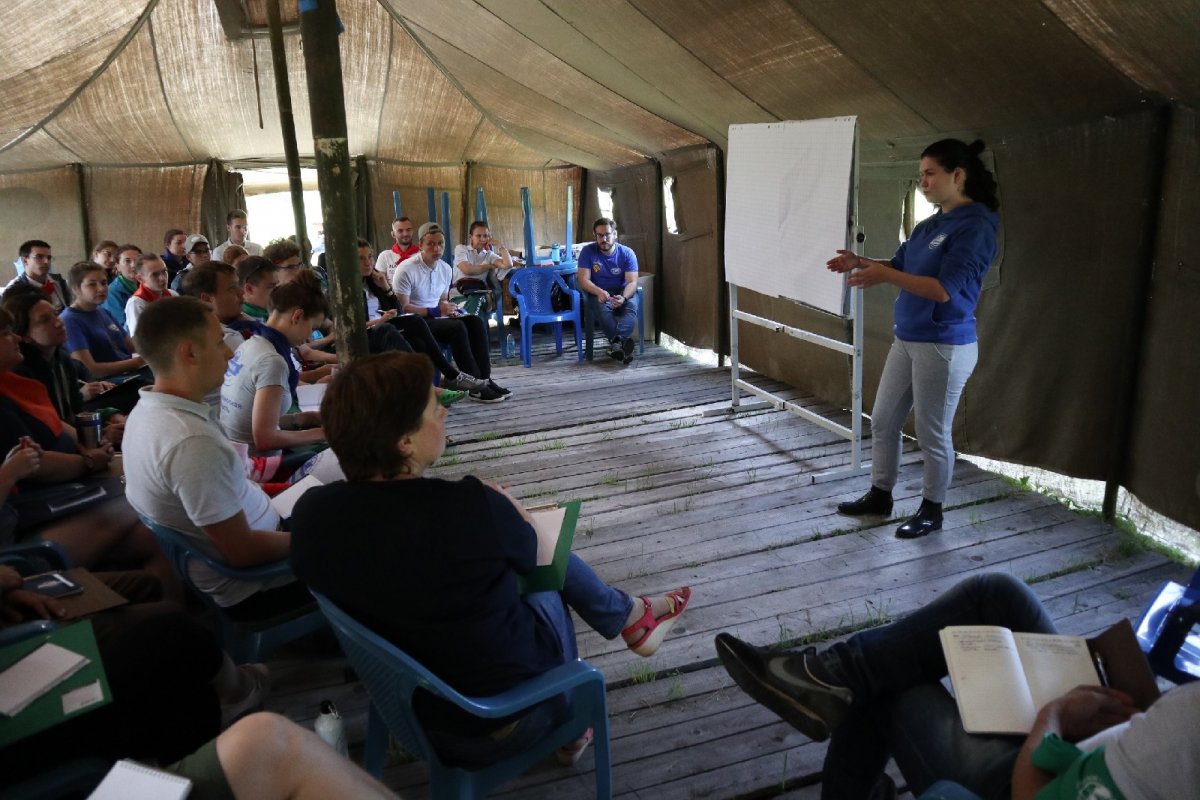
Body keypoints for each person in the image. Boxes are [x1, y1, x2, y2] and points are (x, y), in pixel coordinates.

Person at [290, 351, 691, 767]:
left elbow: (392, 539)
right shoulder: (467, 508)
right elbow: (538, 557)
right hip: (502, 724)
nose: (444, 410)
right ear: (404, 441)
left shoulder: (311, 517)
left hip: (407, 712)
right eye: (433, 407)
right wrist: (505, 505)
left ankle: (630, 616)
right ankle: (577, 715)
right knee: (545, 580)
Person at [714, 572, 1200, 800]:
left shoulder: (1184, 732)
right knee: (997, 595)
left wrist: (1053, 715)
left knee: (891, 682)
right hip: (1120, 735)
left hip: (1032, 777)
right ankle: (827, 678)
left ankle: (828, 689)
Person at [829, 139, 1000, 539]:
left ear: (957, 176)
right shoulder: (931, 224)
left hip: (944, 345)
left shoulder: (976, 226)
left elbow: (944, 289)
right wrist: (863, 262)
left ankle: (931, 509)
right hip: (907, 339)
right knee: (885, 419)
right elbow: (900, 265)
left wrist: (885, 276)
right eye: (920, 175)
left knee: (931, 432)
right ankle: (880, 494)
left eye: (930, 174)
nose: (922, 182)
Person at [123, 296, 310, 618]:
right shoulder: (191, 442)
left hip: (267, 531)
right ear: (189, 352)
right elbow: (242, 551)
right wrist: (320, 538)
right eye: (219, 341)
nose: (229, 353)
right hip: (261, 584)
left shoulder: (146, 413)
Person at [0, 307, 178, 600]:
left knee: (152, 535)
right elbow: (35, 463)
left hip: (43, 503)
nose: (15, 338)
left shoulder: (48, 369)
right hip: (21, 536)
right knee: (145, 499)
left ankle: (172, 619)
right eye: (6, 334)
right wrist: (85, 461)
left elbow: (61, 423)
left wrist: (95, 443)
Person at [393, 223, 510, 403]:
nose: (436, 248)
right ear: (421, 245)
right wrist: (435, 310)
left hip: (436, 318)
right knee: (456, 328)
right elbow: (403, 309)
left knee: (474, 321)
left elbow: (442, 301)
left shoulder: (445, 269)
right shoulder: (406, 269)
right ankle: (474, 386)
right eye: (431, 244)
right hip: (415, 323)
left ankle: (484, 380)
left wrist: (451, 310)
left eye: (440, 244)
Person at [355, 238, 487, 395]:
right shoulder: (346, 290)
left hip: (389, 328)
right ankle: (437, 385)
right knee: (391, 327)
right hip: (369, 336)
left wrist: (386, 288)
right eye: (361, 258)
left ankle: (463, 379)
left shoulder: (373, 283)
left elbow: (398, 311)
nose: (368, 262)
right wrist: (380, 321)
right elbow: (350, 328)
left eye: (370, 256)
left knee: (417, 327)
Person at [3, 288, 131, 437]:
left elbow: (75, 413)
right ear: (24, 335)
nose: (58, 323)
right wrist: (99, 435)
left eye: (55, 314)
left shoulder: (62, 358)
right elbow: (49, 428)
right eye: (45, 320)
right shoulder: (21, 371)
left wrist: (108, 416)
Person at [220, 281, 328, 457]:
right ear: (297, 316)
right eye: (312, 328)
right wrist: (325, 434)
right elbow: (265, 439)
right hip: (260, 465)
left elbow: (253, 421)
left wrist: (301, 419)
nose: (309, 336)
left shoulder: (252, 344)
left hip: (238, 454)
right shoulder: (272, 361)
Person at [60, 261, 147, 380]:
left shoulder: (102, 311)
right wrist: (136, 363)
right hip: (108, 383)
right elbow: (89, 369)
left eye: (104, 283)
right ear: (76, 289)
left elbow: (130, 345)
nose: (101, 289)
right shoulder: (70, 320)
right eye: (92, 284)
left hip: (130, 374)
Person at [576, 217, 639, 364]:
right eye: (600, 235)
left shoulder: (627, 253)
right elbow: (583, 280)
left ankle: (616, 344)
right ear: (595, 236)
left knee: (632, 306)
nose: (604, 239)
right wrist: (599, 292)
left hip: (623, 291)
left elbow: (632, 282)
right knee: (602, 308)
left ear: (615, 234)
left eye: (607, 234)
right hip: (599, 291)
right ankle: (621, 345)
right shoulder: (587, 252)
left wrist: (623, 298)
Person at [453, 221, 513, 313]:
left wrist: (500, 246)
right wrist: (490, 266)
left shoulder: (489, 255)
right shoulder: (461, 249)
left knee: (478, 299)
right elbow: (467, 269)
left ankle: (472, 325)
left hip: (479, 293)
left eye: (486, 236)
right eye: (478, 236)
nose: (482, 239)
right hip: (459, 295)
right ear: (471, 237)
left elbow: (508, 264)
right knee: (477, 304)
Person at [4, 240, 72, 312]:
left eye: (49, 257)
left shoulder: (59, 282)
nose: (46, 261)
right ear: (25, 261)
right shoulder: (14, 290)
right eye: (39, 257)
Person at [125, 253, 176, 337]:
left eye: (164, 271)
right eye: (155, 275)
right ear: (140, 278)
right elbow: (140, 339)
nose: (162, 278)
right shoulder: (136, 303)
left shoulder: (173, 294)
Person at [102, 243, 142, 330]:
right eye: (127, 261)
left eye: (137, 260)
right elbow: (120, 327)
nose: (133, 265)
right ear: (118, 267)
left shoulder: (145, 285)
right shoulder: (111, 293)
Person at [374, 215, 418, 284]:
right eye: (400, 231)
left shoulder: (422, 255)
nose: (405, 234)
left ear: (412, 232)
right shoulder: (385, 256)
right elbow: (379, 282)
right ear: (393, 234)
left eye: (408, 230)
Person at [238, 256, 280, 322]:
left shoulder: (271, 313)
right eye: (271, 286)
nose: (278, 291)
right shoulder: (242, 326)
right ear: (249, 289)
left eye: (277, 285)